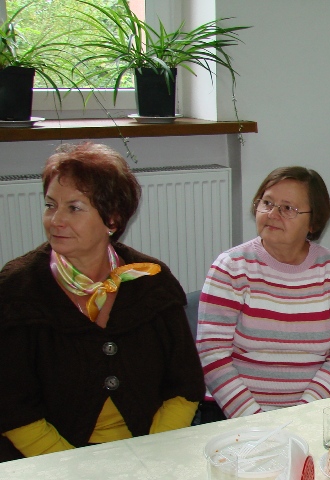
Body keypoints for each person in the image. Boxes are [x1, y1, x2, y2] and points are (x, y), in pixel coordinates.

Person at [0, 142, 204, 462]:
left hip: (150, 450)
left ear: (112, 218)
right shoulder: (18, 289)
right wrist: (72, 468)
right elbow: (12, 407)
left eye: (74, 208)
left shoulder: (151, 280)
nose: (56, 220)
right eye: (51, 205)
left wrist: (155, 453)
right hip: (48, 461)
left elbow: (185, 386)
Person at [196, 167, 330, 420]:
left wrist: (303, 414)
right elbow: (211, 352)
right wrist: (256, 419)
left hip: (310, 411)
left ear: (314, 222)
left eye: (287, 208)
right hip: (235, 414)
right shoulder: (231, 266)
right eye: (267, 203)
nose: (272, 214)